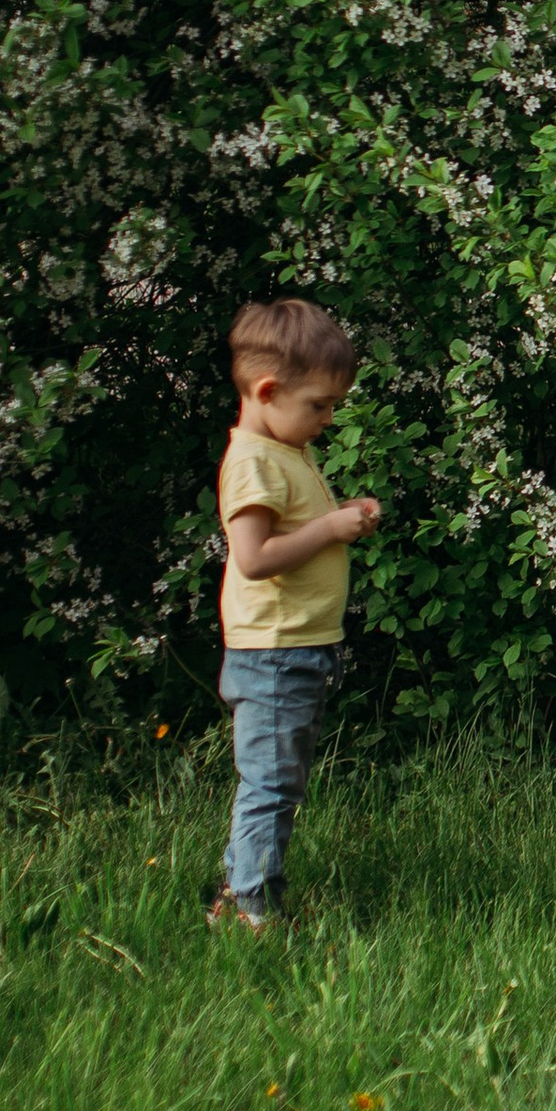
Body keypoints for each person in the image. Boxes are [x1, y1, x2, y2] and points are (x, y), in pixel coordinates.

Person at [209, 297, 380, 929]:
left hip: (295, 647)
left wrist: (339, 517)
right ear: (267, 391)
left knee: (277, 779)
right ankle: (253, 907)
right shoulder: (253, 462)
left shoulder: (282, 451)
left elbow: (293, 531)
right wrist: (331, 529)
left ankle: (237, 894)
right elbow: (253, 558)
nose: (329, 418)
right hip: (273, 652)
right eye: (319, 405)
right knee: (272, 784)